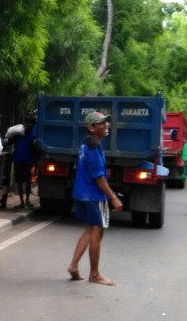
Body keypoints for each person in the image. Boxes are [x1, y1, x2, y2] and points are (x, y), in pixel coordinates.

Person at [67, 111, 123, 286]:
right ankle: (94, 274)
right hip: (93, 194)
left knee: (91, 230)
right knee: (97, 232)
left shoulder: (87, 144)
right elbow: (98, 177)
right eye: (101, 123)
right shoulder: (93, 147)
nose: (106, 125)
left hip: (83, 193)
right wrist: (113, 197)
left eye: (106, 122)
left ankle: (74, 266)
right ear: (91, 128)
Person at [4, 115, 39, 209]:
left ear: (33, 124)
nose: (28, 125)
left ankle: (27, 200)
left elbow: (36, 149)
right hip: (18, 160)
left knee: (27, 182)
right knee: (19, 182)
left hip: (28, 161)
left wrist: (36, 162)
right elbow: (9, 141)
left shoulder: (35, 134)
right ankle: (22, 202)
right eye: (27, 122)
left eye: (30, 123)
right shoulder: (19, 133)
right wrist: (5, 141)